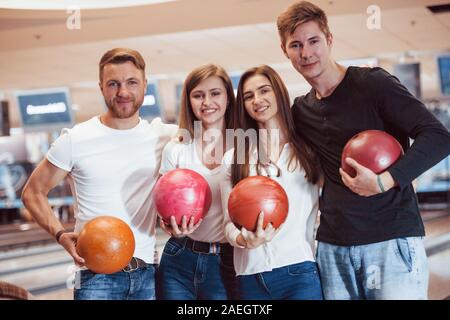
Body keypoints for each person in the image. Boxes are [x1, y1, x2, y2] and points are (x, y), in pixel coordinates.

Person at [277, 1, 450, 299]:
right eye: (295, 45)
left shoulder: (373, 84)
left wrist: (385, 180)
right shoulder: (301, 110)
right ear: (285, 50)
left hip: (390, 240)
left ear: (329, 40)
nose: (306, 53)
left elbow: (438, 137)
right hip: (333, 249)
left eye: (313, 41)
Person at [21, 48, 177, 300]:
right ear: (101, 87)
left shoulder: (163, 136)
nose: (123, 92)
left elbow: (212, 136)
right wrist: (61, 235)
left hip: (147, 274)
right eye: (113, 83)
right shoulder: (75, 139)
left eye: (131, 82)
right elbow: (33, 192)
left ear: (145, 85)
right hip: (95, 277)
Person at [220, 65, 323, 300]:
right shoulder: (234, 160)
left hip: (299, 270)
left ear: (278, 93)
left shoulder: (309, 153)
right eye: (248, 96)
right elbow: (228, 225)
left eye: (264, 91)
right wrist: (245, 239)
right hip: (249, 275)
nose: (257, 100)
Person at [156, 64, 236, 300]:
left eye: (215, 93)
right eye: (198, 95)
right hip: (179, 257)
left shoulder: (244, 149)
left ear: (228, 98)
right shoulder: (177, 148)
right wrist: (168, 224)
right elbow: (163, 203)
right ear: (188, 101)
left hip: (227, 260)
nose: (206, 102)